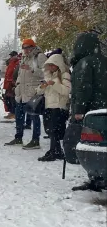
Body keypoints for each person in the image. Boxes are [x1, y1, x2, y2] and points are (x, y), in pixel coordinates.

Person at [68, 32, 107, 191]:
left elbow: (83, 88)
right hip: (103, 110)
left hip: (91, 112)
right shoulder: (103, 61)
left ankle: (96, 178)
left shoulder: (84, 63)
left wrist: (78, 110)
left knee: (89, 145)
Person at [5, 38, 47, 149]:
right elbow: (20, 73)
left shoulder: (40, 56)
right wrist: (17, 85)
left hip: (32, 91)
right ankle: (18, 137)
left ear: (33, 47)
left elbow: (46, 73)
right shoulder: (23, 57)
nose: (26, 50)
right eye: (24, 47)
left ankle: (35, 140)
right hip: (21, 91)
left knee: (34, 116)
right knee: (19, 116)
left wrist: (32, 69)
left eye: (28, 47)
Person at [36, 53, 71, 161]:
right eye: (49, 65)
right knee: (49, 130)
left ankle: (54, 151)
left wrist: (53, 84)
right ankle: (56, 151)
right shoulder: (48, 75)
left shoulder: (64, 75)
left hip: (58, 106)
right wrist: (43, 86)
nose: (51, 67)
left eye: (53, 65)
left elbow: (66, 91)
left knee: (54, 130)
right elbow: (38, 91)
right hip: (48, 105)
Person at [3, 51, 20, 119]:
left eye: (12, 56)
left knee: (12, 99)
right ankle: (11, 112)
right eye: (11, 56)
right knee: (8, 99)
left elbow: (14, 73)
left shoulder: (16, 63)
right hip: (9, 83)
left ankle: (14, 113)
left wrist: (12, 81)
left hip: (12, 83)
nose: (11, 57)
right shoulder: (11, 63)